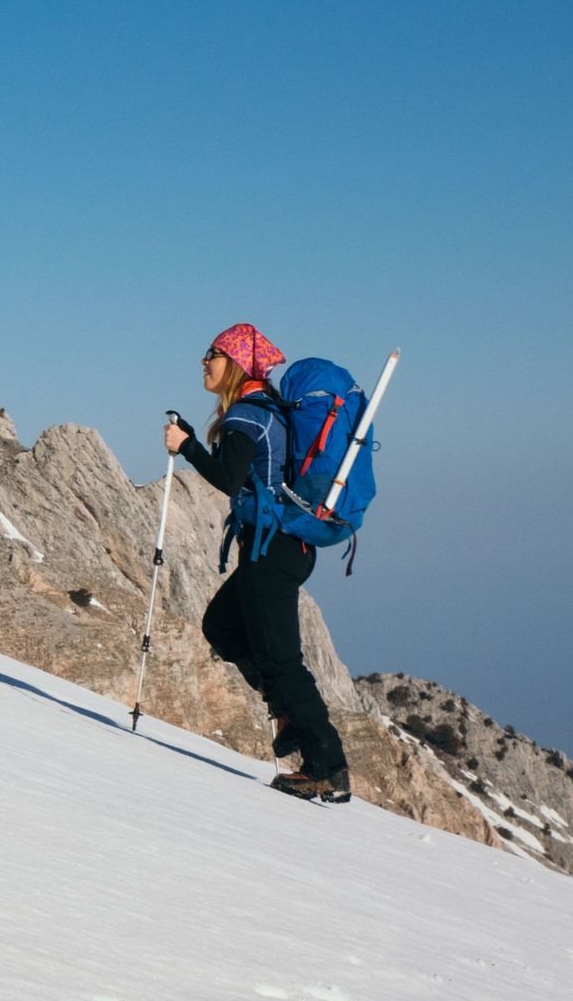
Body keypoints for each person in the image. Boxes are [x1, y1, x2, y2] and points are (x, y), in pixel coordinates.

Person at [165, 322, 351, 803]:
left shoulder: (246, 415)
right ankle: (286, 712)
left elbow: (229, 478)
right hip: (277, 546)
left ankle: (327, 767)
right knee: (221, 626)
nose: (204, 361)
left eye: (214, 353)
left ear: (238, 364)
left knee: (284, 662)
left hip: (272, 550)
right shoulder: (267, 409)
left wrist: (185, 446)